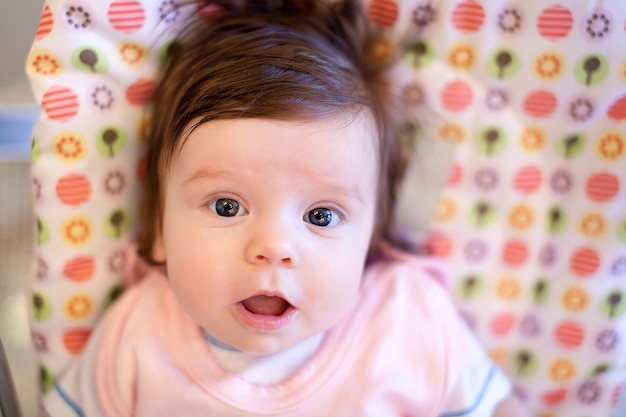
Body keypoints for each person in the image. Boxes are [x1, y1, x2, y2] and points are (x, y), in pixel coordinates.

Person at [43, 1, 530, 415]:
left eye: (321, 216)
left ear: (370, 240)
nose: (273, 248)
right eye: (228, 205)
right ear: (160, 231)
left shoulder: (410, 320)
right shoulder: (135, 337)